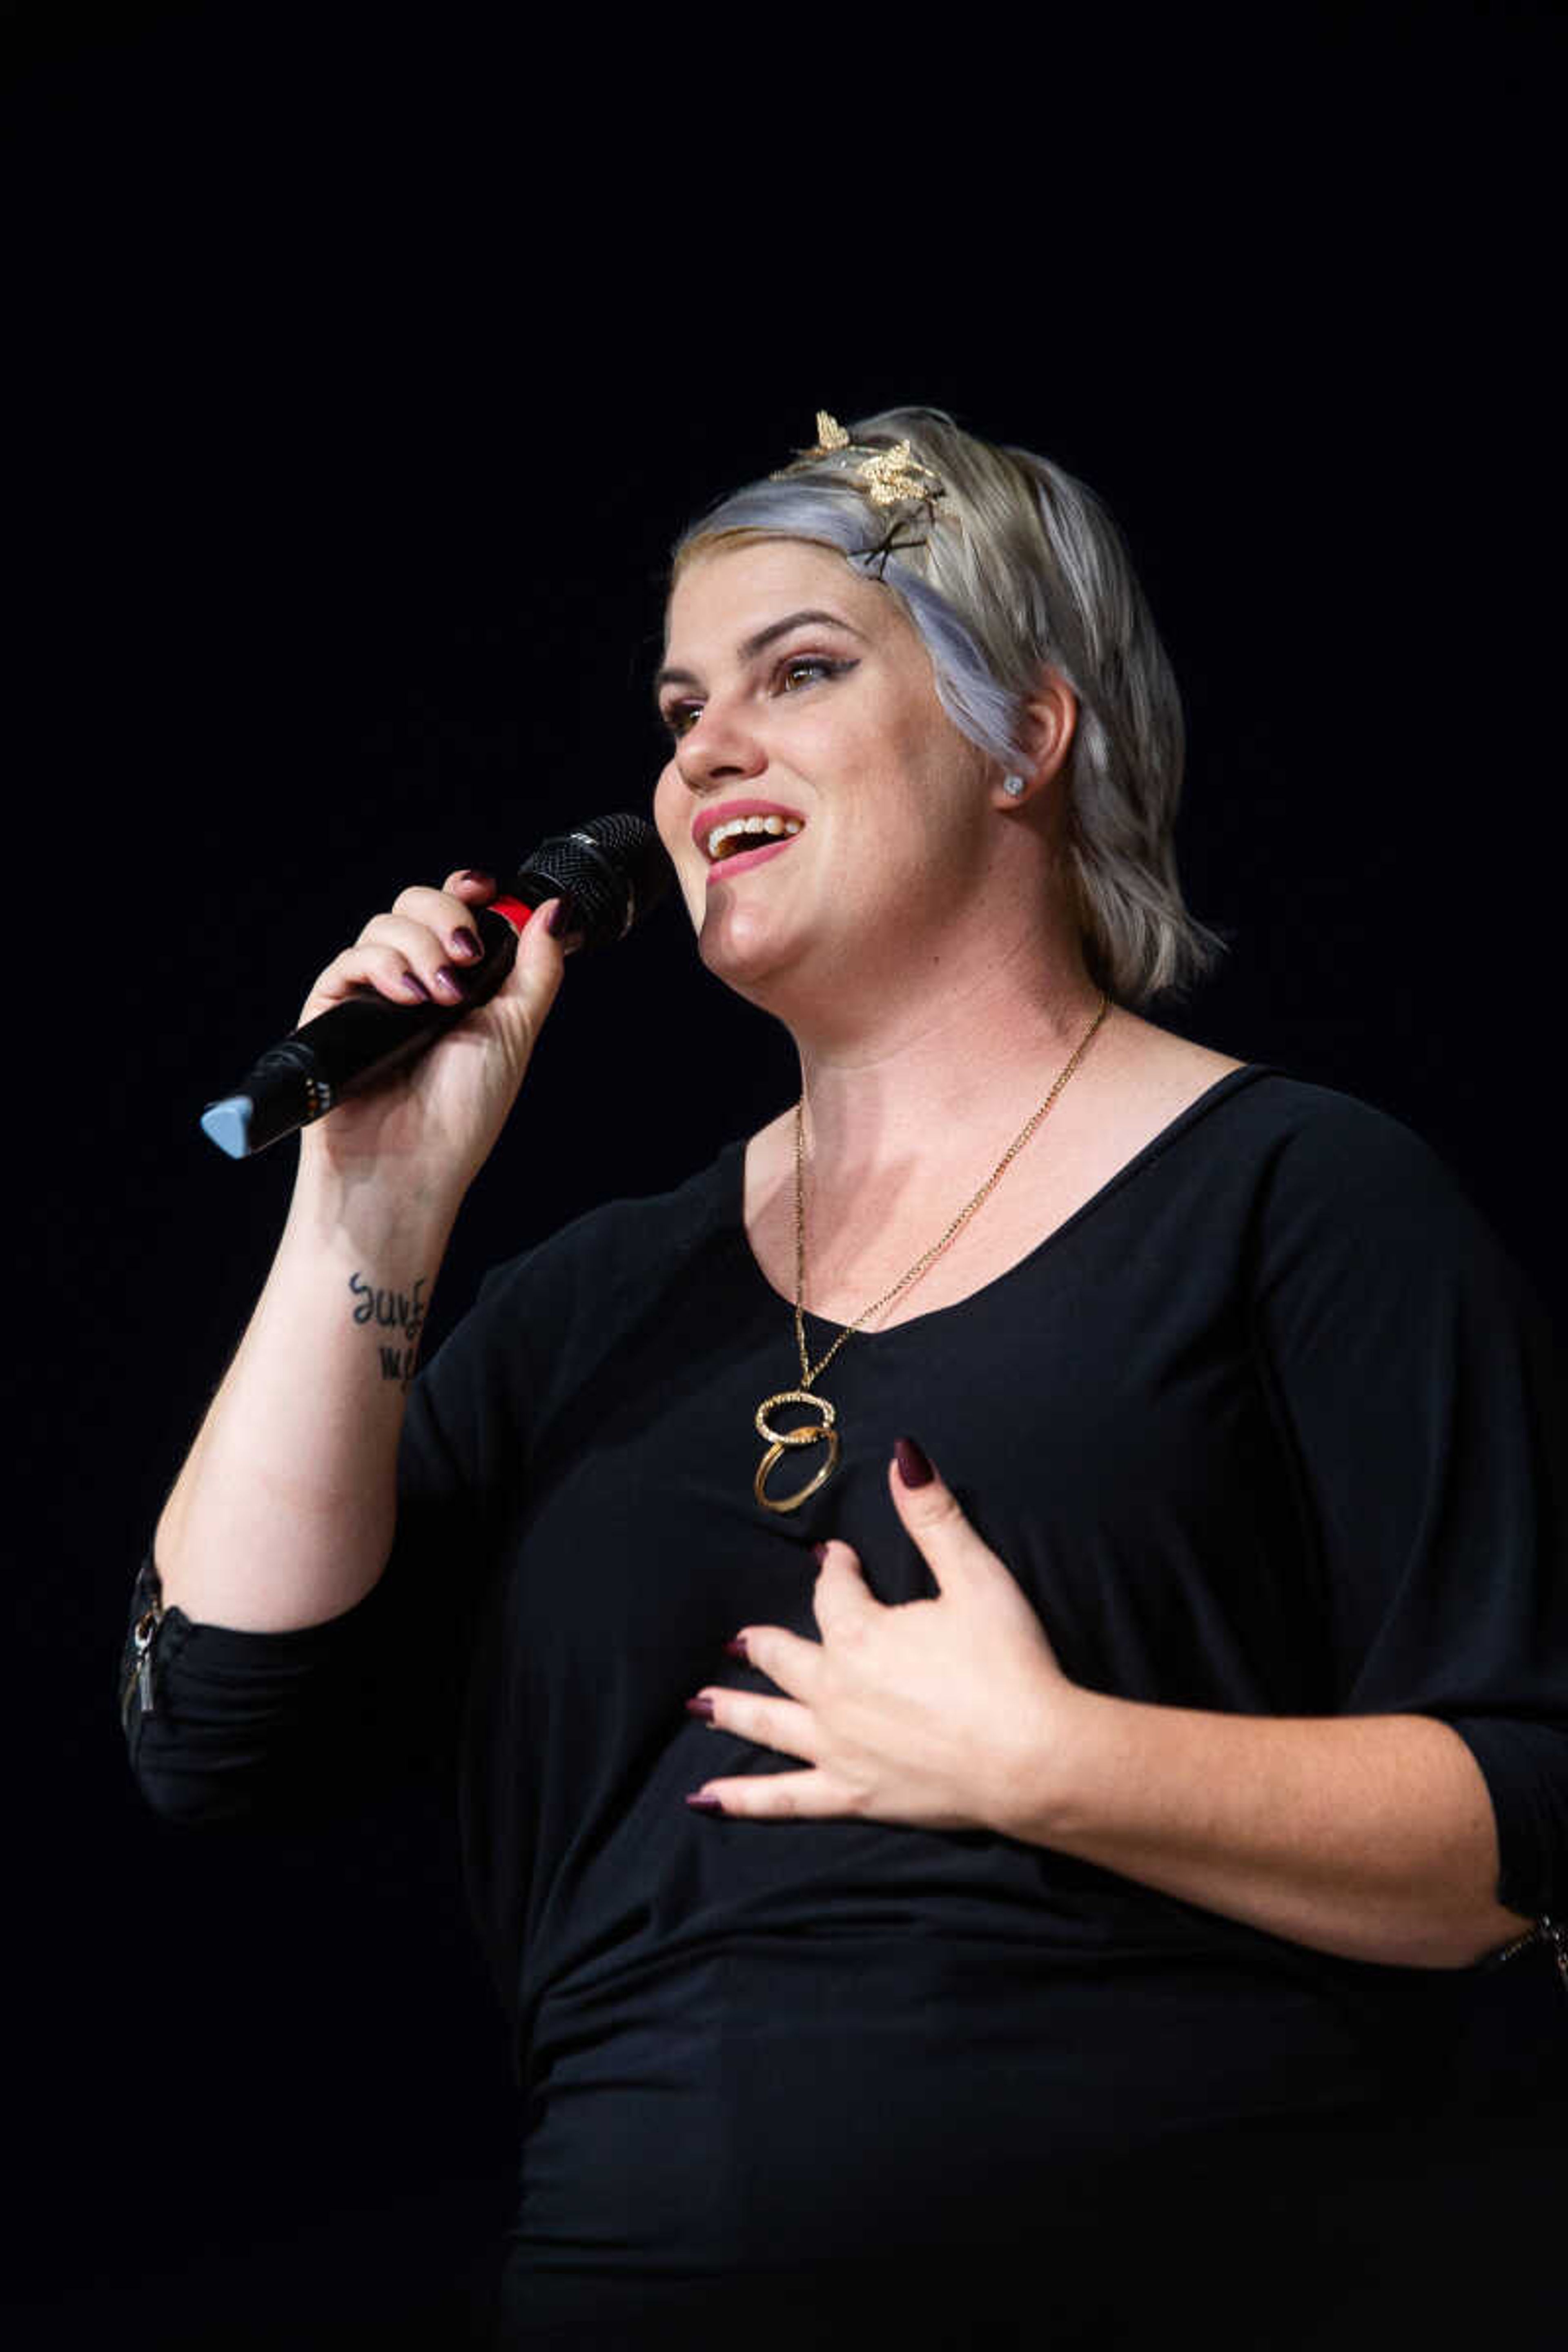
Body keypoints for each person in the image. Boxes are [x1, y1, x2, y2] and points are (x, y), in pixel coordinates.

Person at [125, 409, 1568, 2348]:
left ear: (1025, 736)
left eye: (800, 672)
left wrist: (1055, 1763)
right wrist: (368, 1217)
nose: (701, 750)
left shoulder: (1300, 1199)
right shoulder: (591, 1303)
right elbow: (220, 1723)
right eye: (678, 702)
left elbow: (1528, 1824)